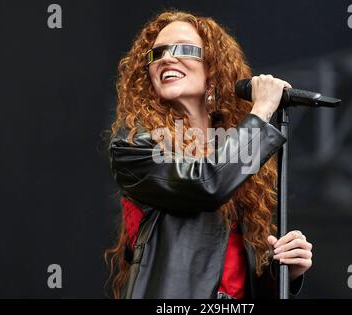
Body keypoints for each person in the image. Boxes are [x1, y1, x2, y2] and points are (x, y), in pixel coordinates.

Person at [105, 10, 313, 299]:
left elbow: (238, 279)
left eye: (184, 49)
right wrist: (262, 111)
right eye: (157, 54)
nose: (167, 58)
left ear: (213, 70)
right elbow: (206, 184)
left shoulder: (234, 156)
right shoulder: (134, 147)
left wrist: (283, 273)